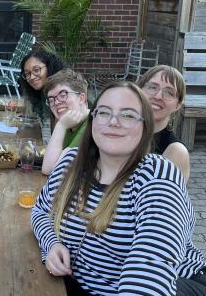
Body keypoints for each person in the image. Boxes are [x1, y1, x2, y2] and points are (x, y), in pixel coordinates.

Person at [31, 81, 206, 295]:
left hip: (177, 282)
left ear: (146, 127)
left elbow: (148, 279)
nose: (113, 122)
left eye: (128, 115)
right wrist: (51, 244)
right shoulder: (71, 161)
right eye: (104, 112)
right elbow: (40, 211)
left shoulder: (157, 176)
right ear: (92, 119)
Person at [137, 64, 190, 181]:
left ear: (178, 105)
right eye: (152, 87)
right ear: (139, 91)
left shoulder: (175, 152)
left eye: (169, 93)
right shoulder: (121, 132)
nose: (158, 96)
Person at [41, 69, 90, 175]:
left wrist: (61, 126)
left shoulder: (91, 126)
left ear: (81, 98)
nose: (56, 102)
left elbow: (49, 169)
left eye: (63, 95)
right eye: (51, 100)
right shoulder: (71, 122)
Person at [19, 50, 66, 119]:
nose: (31, 77)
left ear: (50, 67)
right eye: (27, 74)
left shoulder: (64, 94)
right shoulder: (39, 94)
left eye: (36, 70)